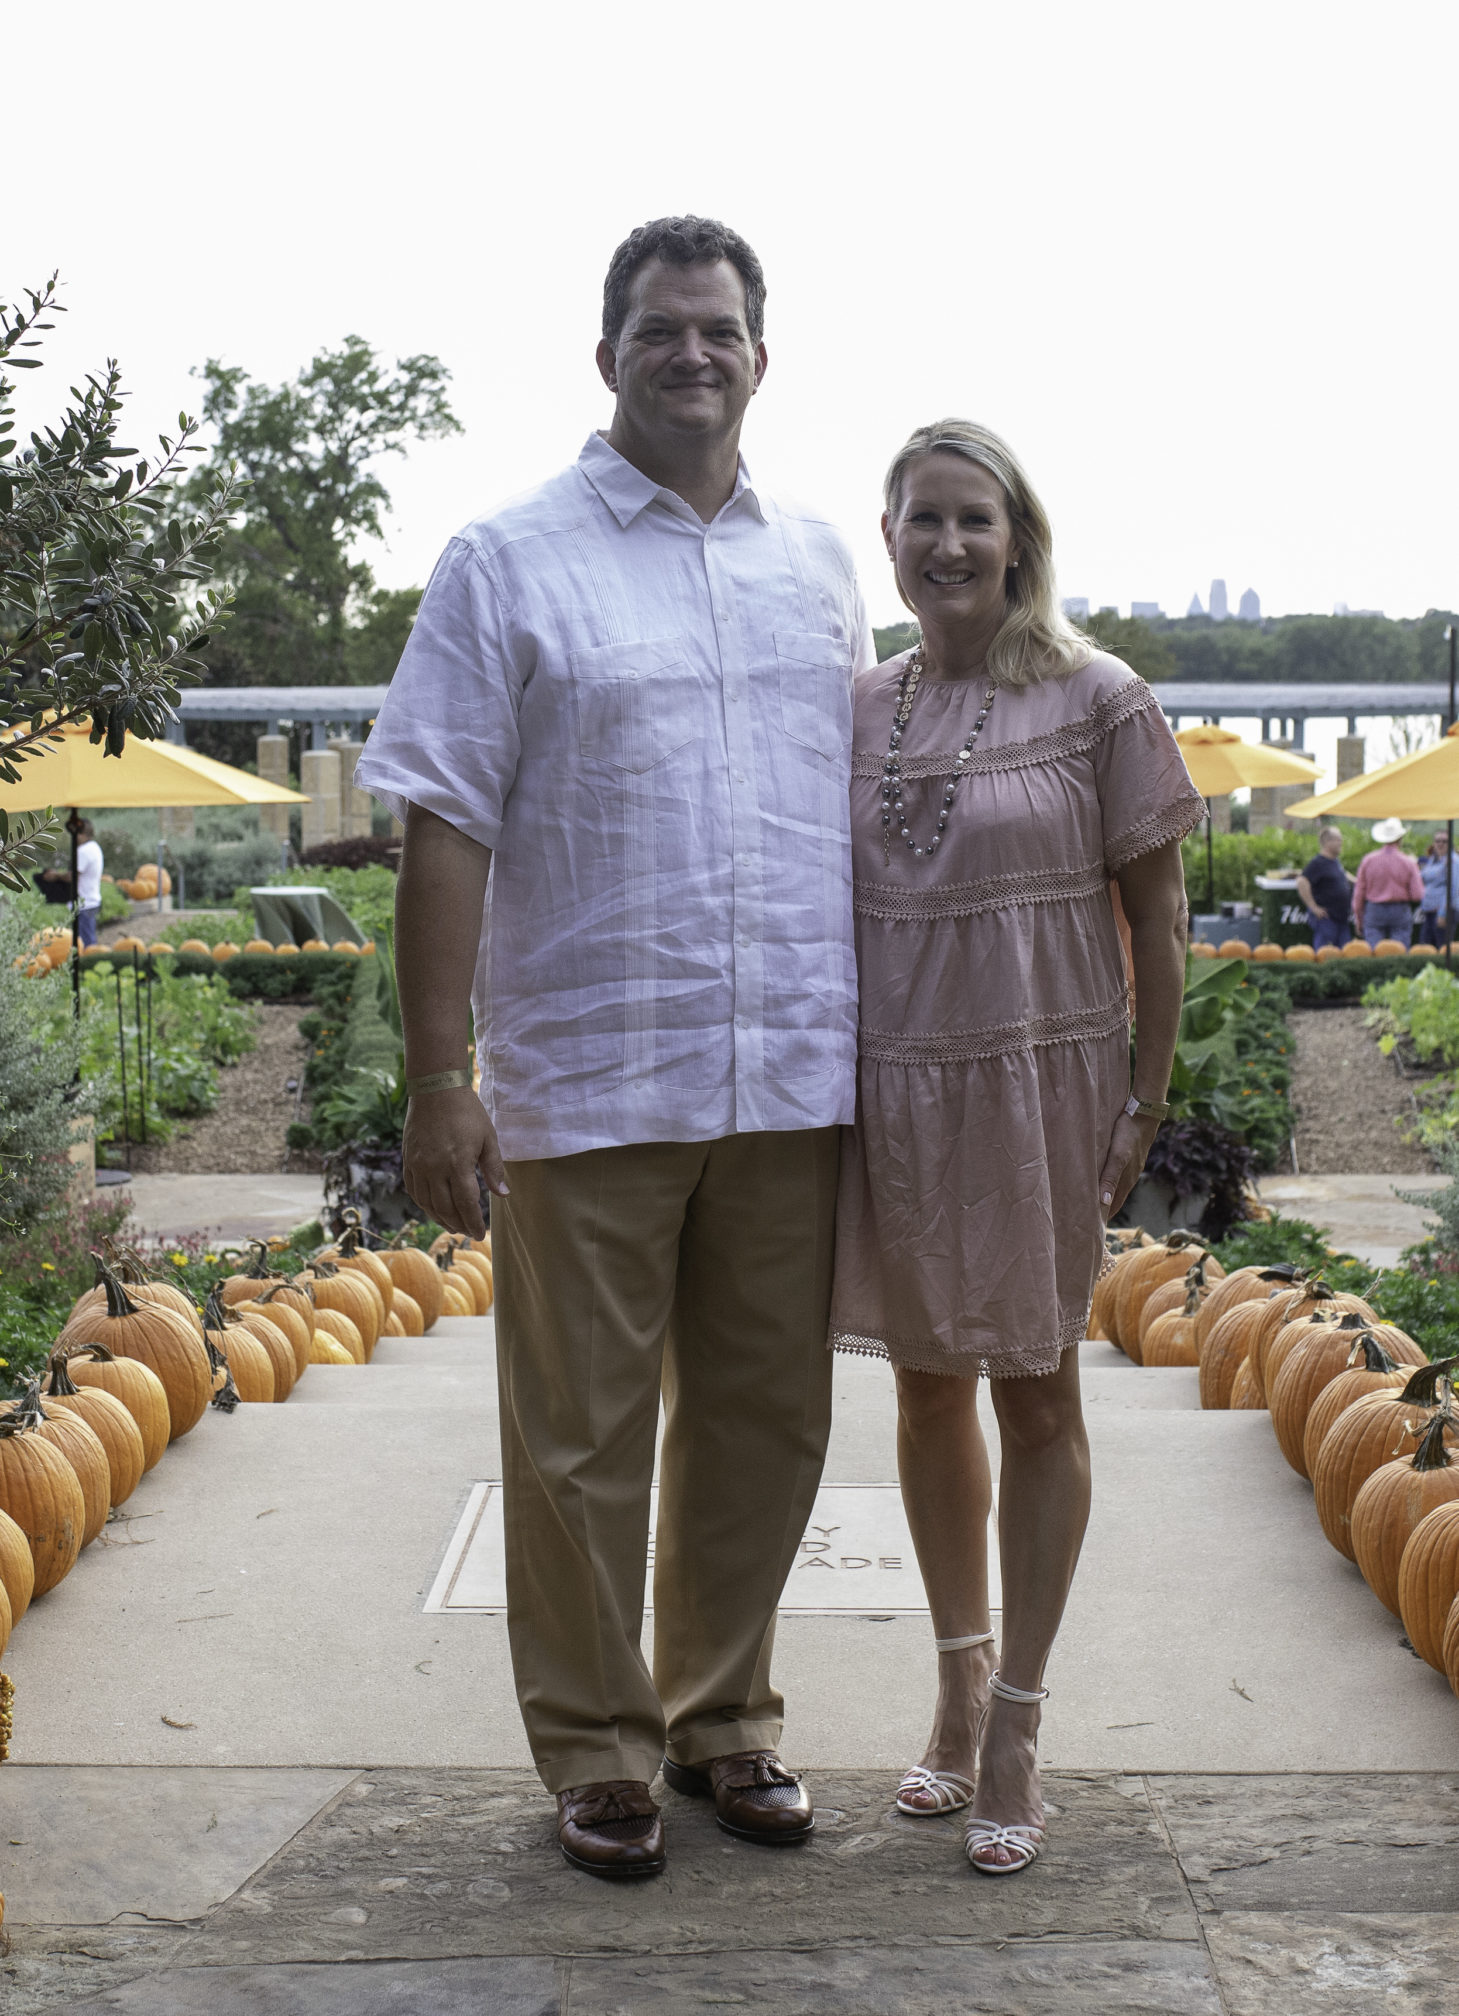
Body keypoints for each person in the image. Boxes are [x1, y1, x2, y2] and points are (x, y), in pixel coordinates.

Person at [356, 216, 871, 1880]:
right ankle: (595, 1744)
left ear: (759, 356)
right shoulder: (508, 561)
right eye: (661, 328)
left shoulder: (815, 565)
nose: (692, 353)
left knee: (763, 1416)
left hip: (787, 1066)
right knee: (577, 1438)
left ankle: (724, 1717)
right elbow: (440, 821)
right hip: (589, 1070)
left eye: (718, 328)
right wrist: (443, 1075)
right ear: (607, 356)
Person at [830, 420, 1199, 1877]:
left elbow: (1157, 924)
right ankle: (953, 1680)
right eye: (922, 520)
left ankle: (1018, 1723)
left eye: (972, 519)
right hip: (897, 1097)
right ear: (889, 540)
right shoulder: (857, 708)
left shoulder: (1101, 698)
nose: (947, 546)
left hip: (1041, 1091)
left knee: (1035, 1397)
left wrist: (1141, 1102)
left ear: (1016, 534)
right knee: (925, 1398)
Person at [1351, 818, 1422, 948]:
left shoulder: (1368, 860)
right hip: (1400, 909)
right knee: (1399, 951)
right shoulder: (1408, 862)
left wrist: (1359, 919)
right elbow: (1417, 894)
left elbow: (1359, 893)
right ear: (1400, 838)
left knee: (1374, 951)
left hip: (1374, 909)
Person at [1296, 826, 1353, 948]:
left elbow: (1343, 875)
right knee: (1326, 953)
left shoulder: (1334, 862)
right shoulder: (1318, 863)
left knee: (1345, 953)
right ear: (1327, 842)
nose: (1341, 842)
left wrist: (1358, 881)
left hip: (1341, 918)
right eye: (1338, 839)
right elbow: (1302, 881)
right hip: (1327, 919)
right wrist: (1313, 907)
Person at [1418, 830, 1459, 947]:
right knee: (1425, 947)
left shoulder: (1454, 861)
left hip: (1443, 912)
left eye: (1444, 841)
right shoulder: (1433, 860)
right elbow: (1422, 876)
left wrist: (1443, 913)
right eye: (1438, 841)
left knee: (1442, 949)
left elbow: (1453, 889)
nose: (1440, 844)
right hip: (1429, 911)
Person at [74, 819, 103, 949]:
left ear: (81, 834)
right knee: (88, 939)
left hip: (83, 903)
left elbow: (74, 875)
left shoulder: (84, 851)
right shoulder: (94, 847)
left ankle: (87, 965)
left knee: (85, 943)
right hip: (92, 900)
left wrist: (55, 876)